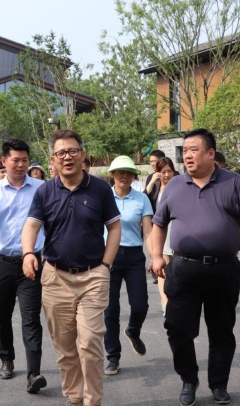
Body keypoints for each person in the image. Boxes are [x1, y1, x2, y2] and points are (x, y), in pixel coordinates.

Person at [151, 128, 240, 406]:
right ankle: (188, 379)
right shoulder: (175, 185)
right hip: (183, 268)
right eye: (185, 151)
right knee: (177, 328)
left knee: (222, 330)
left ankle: (219, 384)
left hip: (223, 270)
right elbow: (159, 223)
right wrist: (156, 255)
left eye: (194, 150)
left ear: (211, 153)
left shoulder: (233, 182)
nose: (187, 156)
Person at [21, 129, 121, 406]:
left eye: (73, 151)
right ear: (52, 159)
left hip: (93, 276)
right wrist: (28, 252)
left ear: (82, 155)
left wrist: (106, 265)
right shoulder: (44, 191)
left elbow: (114, 227)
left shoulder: (100, 189)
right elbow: (31, 226)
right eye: (61, 153)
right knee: (65, 348)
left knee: (89, 343)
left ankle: (92, 401)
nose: (67, 157)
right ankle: (74, 398)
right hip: (56, 277)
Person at [0, 139, 47, 394]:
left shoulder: (42, 189)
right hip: (2, 262)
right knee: (2, 315)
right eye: (15, 160)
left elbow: (50, 223)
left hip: (32, 264)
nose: (21, 165)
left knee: (31, 318)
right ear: (4, 161)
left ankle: (34, 373)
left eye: (25, 160)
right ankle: (6, 359)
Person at [103, 155, 153, 376]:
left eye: (129, 173)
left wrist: (154, 256)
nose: (124, 176)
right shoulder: (104, 197)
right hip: (108, 257)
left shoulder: (142, 199)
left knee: (140, 305)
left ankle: (133, 330)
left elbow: (148, 231)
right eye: (120, 172)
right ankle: (113, 356)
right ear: (112, 175)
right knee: (110, 310)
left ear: (134, 176)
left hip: (134, 257)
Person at [145, 157, 177, 309]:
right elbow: (143, 202)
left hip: (176, 231)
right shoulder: (155, 188)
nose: (167, 175)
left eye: (169, 171)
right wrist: (152, 182)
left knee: (176, 270)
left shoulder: (180, 186)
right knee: (162, 270)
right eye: (163, 172)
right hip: (160, 233)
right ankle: (165, 302)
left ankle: (175, 299)